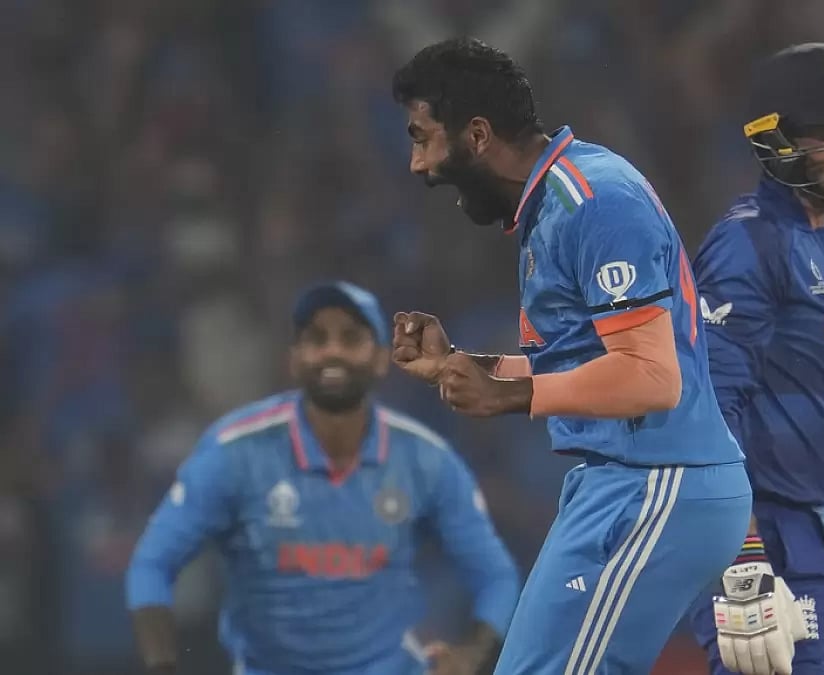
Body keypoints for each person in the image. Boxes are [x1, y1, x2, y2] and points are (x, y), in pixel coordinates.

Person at [388, 37, 753, 675]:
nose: (418, 165)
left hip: (658, 481)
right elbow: (594, 364)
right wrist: (474, 367)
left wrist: (509, 395)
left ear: (475, 134)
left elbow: (652, 377)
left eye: (422, 137)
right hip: (621, 480)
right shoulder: (554, 203)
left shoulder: (595, 199)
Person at [125, 281, 520, 675]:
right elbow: (152, 563)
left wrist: (471, 656)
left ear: (382, 358)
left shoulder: (424, 458)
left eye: (351, 338)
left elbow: (496, 576)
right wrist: (162, 666)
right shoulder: (237, 452)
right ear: (294, 359)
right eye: (317, 338)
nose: (333, 351)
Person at [685, 43, 824, 675]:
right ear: (778, 141)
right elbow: (708, 405)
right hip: (764, 534)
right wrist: (742, 553)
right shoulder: (748, 242)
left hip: (823, 536)